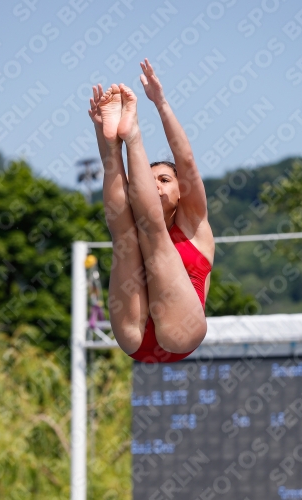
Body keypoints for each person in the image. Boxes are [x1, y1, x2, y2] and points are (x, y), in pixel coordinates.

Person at [88, 58, 215, 363]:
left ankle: (132, 137)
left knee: (152, 233)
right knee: (125, 235)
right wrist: (104, 137)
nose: (156, 185)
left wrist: (160, 103)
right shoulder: (138, 211)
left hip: (180, 332)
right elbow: (121, 192)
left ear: (181, 190)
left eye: (164, 179)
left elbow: (185, 161)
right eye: (150, 178)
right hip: (133, 333)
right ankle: (115, 142)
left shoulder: (194, 223)